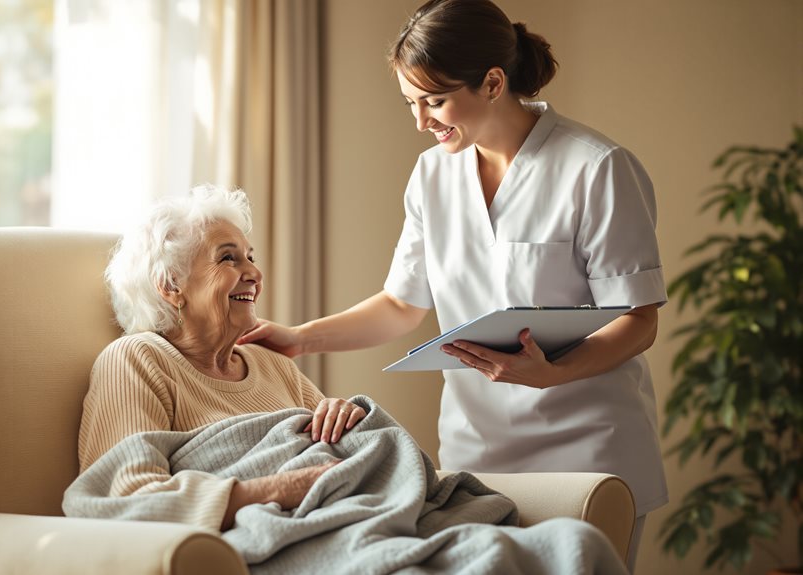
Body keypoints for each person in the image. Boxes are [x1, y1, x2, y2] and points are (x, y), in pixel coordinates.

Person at [237, 0, 667, 570]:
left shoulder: (595, 167)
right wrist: (301, 338)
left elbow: (637, 320)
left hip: (589, 448)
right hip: (476, 455)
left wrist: (554, 372)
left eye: (434, 101)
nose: (421, 121)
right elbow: (400, 304)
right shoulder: (432, 175)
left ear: (493, 82)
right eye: (411, 103)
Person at [76, 185, 367, 532]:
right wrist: (281, 489)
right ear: (171, 285)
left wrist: (349, 417)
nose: (255, 275)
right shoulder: (137, 358)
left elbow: (346, 456)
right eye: (229, 258)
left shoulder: (271, 363)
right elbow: (127, 497)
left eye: (251, 257)